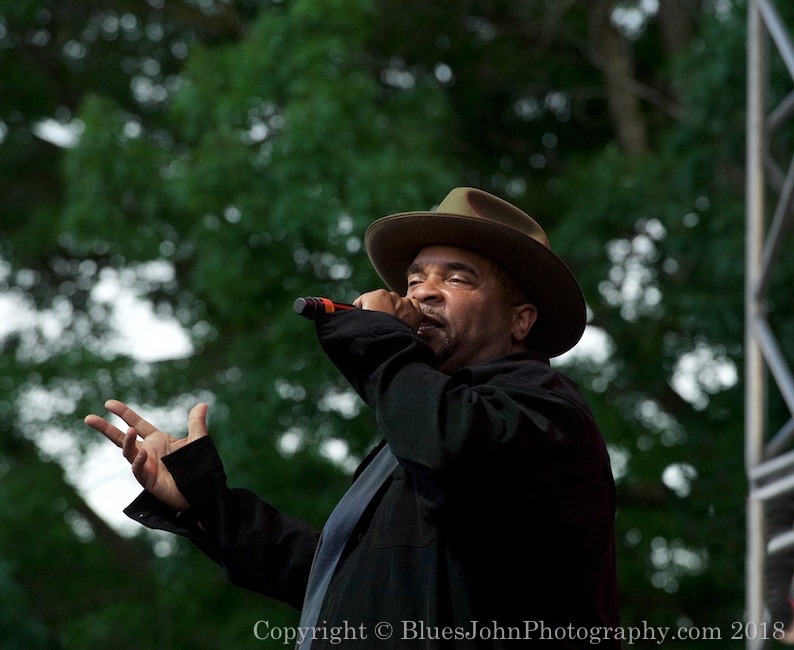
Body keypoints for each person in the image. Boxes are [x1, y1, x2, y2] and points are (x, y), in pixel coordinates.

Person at [86, 187, 621, 648]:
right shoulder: (418, 426)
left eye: (457, 279)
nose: (424, 291)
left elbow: (450, 453)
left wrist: (380, 345)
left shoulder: (545, 412)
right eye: (414, 280)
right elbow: (345, 581)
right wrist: (205, 502)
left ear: (521, 320)